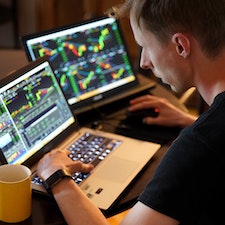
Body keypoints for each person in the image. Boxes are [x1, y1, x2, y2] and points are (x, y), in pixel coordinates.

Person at [36, 0, 225, 224]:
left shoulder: (197, 147)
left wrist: (57, 177)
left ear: (181, 46)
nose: (144, 62)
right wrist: (191, 121)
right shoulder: (209, 136)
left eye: (146, 45)